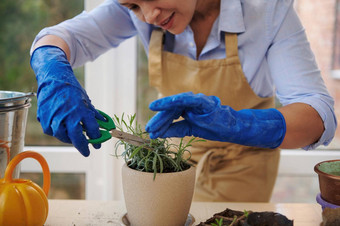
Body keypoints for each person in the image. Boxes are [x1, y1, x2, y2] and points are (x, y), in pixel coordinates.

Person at [30, 0, 337, 202]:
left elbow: (318, 116)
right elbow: (59, 38)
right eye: (134, 6)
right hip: (170, 164)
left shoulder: (267, 10)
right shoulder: (142, 10)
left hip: (241, 172)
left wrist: (237, 124)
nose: (149, 15)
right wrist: (53, 73)